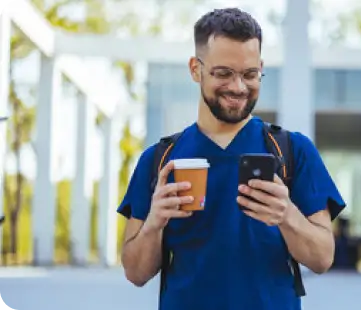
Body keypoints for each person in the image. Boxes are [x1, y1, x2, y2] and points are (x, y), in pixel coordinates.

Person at [117, 8, 346, 310]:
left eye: (250, 74)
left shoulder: (293, 151)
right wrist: (154, 224)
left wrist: (286, 214)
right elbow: (135, 272)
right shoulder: (160, 159)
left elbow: (322, 258)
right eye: (223, 73)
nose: (238, 87)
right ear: (195, 69)